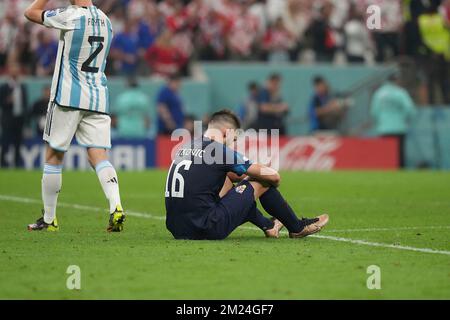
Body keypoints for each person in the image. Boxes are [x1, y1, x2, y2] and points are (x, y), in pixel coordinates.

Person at [24, 0, 126, 232]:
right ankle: (116, 205)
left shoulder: (70, 15)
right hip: (98, 97)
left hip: (68, 97)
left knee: (54, 155)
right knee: (98, 155)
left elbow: (30, 13)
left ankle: (49, 219)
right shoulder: (106, 20)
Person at [165, 109, 329, 240]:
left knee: (230, 180)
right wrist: (271, 180)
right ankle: (297, 228)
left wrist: (242, 180)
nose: (234, 142)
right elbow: (272, 175)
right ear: (227, 131)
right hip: (206, 229)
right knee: (260, 180)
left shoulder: (187, 146)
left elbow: (231, 176)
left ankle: (268, 225)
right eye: (234, 138)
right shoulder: (219, 150)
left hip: (177, 229)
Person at [371, 74, 417, 168]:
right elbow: (410, 108)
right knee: (399, 152)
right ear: (396, 81)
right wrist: (405, 118)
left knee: (387, 153)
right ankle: (400, 171)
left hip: (384, 128)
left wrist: (380, 121)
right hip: (399, 127)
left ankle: (387, 170)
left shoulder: (379, 93)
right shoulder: (400, 92)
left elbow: (374, 111)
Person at [0, 63, 28, 168]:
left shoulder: (22, 86)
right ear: (9, 72)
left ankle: (17, 164)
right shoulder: (4, 87)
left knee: (18, 143)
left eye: (17, 70)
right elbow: (1, 103)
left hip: (19, 119)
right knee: (5, 141)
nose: (15, 72)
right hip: (7, 119)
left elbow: (25, 103)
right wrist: (7, 101)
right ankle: (3, 163)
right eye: (13, 70)